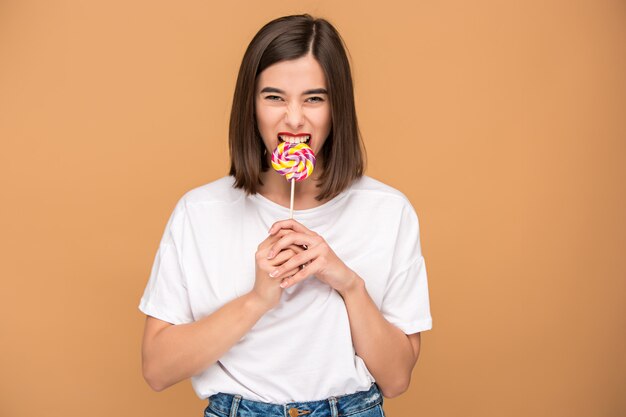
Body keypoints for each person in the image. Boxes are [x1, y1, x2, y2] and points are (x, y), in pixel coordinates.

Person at [139, 13, 432, 417]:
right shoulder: (199, 212)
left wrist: (345, 282)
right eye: (274, 97)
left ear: (337, 107)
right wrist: (258, 299)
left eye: (314, 98)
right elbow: (157, 369)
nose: (294, 118)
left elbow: (397, 379)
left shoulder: (389, 211)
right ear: (251, 105)